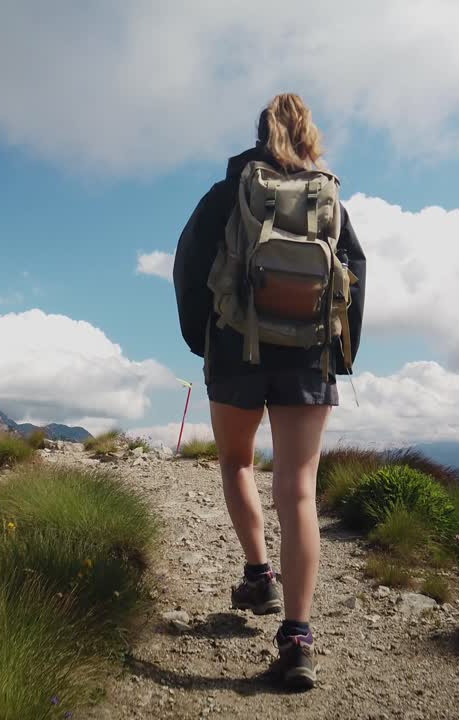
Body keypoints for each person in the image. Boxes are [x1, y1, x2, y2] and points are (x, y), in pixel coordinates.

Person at [172, 93, 366, 689]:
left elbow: (188, 266)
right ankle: (298, 636)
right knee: (299, 490)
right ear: (311, 136)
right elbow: (355, 270)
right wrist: (339, 352)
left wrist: (204, 341)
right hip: (308, 355)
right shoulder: (326, 196)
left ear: (258, 135)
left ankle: (258, 576)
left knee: (235, 462)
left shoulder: (228, 191)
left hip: (236, 347)